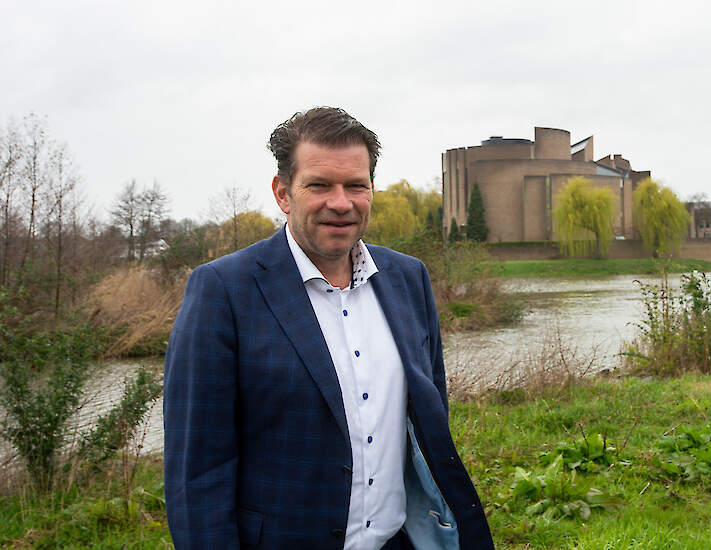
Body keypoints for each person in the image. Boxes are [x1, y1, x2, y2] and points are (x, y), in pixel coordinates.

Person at [164, 107, 493, 549]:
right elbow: (198, 471)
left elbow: (429, 420)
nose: (341, 203)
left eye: (356, 185)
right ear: (283, 192)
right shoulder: (224, 290)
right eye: (319, 185)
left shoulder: (408, 278)